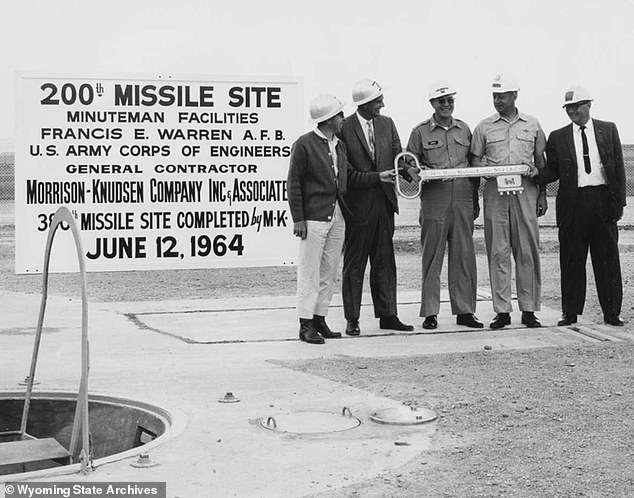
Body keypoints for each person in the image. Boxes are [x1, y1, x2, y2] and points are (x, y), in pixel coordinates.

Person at [287, 94, 394, 344]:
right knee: (310, 272)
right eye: (339, 115)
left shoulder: (339, 146)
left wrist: (379, 177)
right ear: (327, 120)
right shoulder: (304, 144)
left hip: (337, 217)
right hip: (314, 219)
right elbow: (294, 183)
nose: (343, 119)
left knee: (329, 271)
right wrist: (298, 219)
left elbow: (351, 178)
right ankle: (305, 324)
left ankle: (320, 317)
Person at [539, 85, 625, 326]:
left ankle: (611, 312)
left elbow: (618, 167)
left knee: (607, 260)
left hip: (602, 202)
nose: (571, 111)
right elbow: (553, 170)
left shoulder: (608, 130)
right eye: (567, 108)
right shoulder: (558, 137)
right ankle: (570, 312)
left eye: (575, 106)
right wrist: (533, 173)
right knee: (572, 261)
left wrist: (619, 204)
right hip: (573, 205)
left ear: (589, 104)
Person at [469, 73, 547, 329]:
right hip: (495, 194)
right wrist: (486, 171)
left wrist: (543, 193)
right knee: (498, 252)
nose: (497, 100)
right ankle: (502, 311)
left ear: (515, 95)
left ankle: (529, 309)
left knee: (527, 251)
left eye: (501, 96)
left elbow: (541, 162)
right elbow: (474, 160)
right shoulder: (484, 127)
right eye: (494, 96)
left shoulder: (532, 125)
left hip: (526, 193)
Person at [339, 79, 413, 336]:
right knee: (355, 264)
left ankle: (388, 315)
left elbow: (397, 161)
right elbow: (345, 174)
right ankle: (352, 318)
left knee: (384, 262)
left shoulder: (387, 124)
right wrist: (376, 177)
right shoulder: (343, 128)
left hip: (384, 204)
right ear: (364, 104)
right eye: (378, 101)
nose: (383, 104)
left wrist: (410, 171)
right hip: (357, 208)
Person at [406, 81, 482, 330]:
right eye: (441, 101)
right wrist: (415, 171)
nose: (447, 105)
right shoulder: (420, 132)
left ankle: (465, 311)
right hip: (434, 197)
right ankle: (430, 312)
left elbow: (473, 165)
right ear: (432, 104)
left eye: (450, 100)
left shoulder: (465, 129)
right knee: (432, 255)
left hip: (462, 195)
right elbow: (407, 164)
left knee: (463, 255)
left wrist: (474, 199)